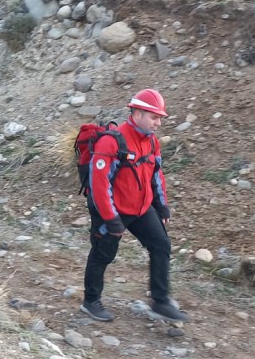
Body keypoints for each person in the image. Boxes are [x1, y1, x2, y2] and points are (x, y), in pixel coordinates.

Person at [81, 89, 188, 323]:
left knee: (161, 244)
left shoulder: (152, 142)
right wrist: (110, 219)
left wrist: (162, 207)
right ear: (137, 114)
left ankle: (160, 302)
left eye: (160, 118)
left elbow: (157, 176)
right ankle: (91, 302)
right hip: (113, 210)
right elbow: (99, 185)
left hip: (141, 209)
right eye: (154, 117)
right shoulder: (112, 141)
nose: (159, 123)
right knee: (102, 255)